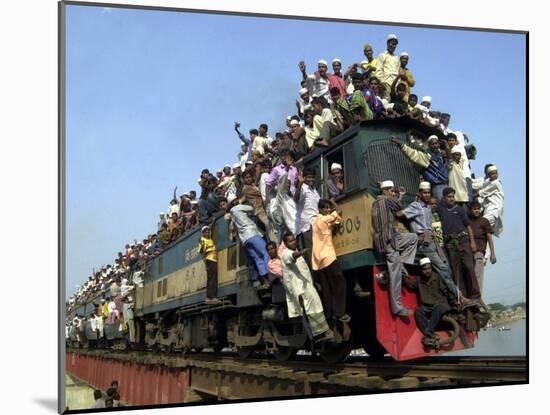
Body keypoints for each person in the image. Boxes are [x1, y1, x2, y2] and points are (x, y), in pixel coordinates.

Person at [396, 182, 463, 304]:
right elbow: (399, 214)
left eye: (428, 193)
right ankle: (459, 297)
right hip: (423, 244)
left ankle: (452, 298)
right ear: (420, 193)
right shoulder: (416, 206)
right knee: (442, 268)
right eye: (424, 193)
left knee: (446, 268)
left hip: (432, 242)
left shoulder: (427, 208)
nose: (427, 195)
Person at [372, 180, 418, 316]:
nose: (393, 193)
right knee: (395, 275)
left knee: (412, 238)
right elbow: (399, 207)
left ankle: (402, 262)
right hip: (388, 241)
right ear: (385, 191)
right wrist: (401, 196)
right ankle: (397, 307)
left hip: (391, 238)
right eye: (392, 191)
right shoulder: (386, 200)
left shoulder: (377, 202)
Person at [281, 233, 334, 341]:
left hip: (306, 286)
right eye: (290, 241)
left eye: (294, 240)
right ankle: (320, 334)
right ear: (286, 244)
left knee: (315, 307)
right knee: (313, 308)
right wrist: (300, 253)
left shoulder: (294, 251)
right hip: (301, 289)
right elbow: (291, 258)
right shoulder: (286, 253)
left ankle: (321, 333)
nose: (294, 242)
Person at [437, 187, 481, 302]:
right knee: (457, 271)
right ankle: (464, 297)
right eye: (449, 197)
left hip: (463, 240)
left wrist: (472, 242)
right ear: (444, 198)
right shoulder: (441, 208)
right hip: (451, 243)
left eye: (453, 196)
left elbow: (468, 226)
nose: (451, 199)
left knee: (469, 267)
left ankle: (476, 295)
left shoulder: (460, 209)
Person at [311, 199, 350, 322]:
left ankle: (330, 314)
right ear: (320, 210)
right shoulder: (324, 219)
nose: (328, 210)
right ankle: (340, 313)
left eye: (329, 208)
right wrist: (333, 202)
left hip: (318, 259)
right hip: (328, 256)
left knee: (327, 289)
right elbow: (339, 211)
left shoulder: (316, 221)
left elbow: (336, 219)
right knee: (340, 284)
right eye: (326, 208)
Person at [225, 198, 271, 288]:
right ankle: (271, 275)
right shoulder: (237, 208)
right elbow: (251, 208)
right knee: (266, 252)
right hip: (252, 234)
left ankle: (265, 280)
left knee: (257, 259)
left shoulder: (232, 216)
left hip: (245, 240)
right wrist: (241, 203)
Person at [413, 258, 456, 347]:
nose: (427, 271)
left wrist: (453, 302)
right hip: (427, 307)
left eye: (429, 268)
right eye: (424, 269)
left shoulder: (437, 277)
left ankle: (428, 333)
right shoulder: (418, 280)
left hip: (441, 304)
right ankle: (431, 334)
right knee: (418, 311)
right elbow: (410, 284)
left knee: (438, 308)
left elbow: (446, 290)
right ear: (421, 270)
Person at [392, 135, 449, 200]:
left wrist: (446, 145)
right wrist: (401, 144)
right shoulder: (427, 157)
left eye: (436, 143)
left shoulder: (441, 155)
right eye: (432, 144)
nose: (435, 146)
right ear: (429, 146)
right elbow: (413, 154)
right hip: (437, 186)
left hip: (446, 184)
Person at [468, 201, 497, 297]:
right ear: (470, 210)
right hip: (468, 252)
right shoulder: (468, 221)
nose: (476, 211)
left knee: (478, 275)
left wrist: (492, 253)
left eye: (478, 209)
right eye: (474, 209)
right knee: (470, 276)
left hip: (479, 251)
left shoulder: (484, 221)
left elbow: (489, 238)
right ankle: (472, 297)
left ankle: (478, 298)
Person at [294, 168, 320, 268]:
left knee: (318, 253)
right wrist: (300, 184)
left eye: (313, 177)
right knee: (311, 256)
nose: (311, 179)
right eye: (309, 177)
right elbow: (296, 199)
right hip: (308, 227)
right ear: (304, 178)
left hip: (317, 224)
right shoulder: (303, 188)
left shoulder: (314, 191)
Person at [472, 165, 504, 237]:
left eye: (496, 173)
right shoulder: (488, 182)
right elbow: (477, 185)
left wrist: (470, 198)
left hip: (494, 210)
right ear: (488, 175)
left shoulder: (496, 183)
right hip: (488, 208)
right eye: (492, 174)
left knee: (481, 224)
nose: (495, 175)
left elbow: (481, 192)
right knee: (485, 229)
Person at [198, 225, 221, 304]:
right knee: (212, 278)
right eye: (205, 231)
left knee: (213, 278)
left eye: (208, 231)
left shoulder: (210, 239)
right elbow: (200, 251)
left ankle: (210, 296)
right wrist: (209, 250)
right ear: (203, 233)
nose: (207, 232)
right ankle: (211, 297)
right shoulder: (202, 239)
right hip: (209, 259)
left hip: (213, 259)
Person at [374, 34, 401, 99]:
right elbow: (378, 71)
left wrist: (398, 83)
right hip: (386, 83)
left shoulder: (397, 58)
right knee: (387, 101)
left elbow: (398, 71)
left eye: (395, 44)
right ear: (388, 43)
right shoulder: (382, 55)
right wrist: (382, 83)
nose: (393, 46)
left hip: (396, 84)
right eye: (392, 44)